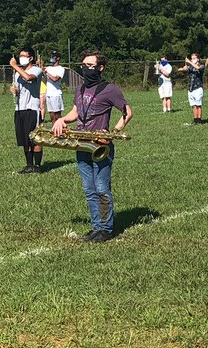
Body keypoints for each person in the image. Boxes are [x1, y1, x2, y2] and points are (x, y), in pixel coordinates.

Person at [53, 50, 133, 243]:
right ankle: (97, 227)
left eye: (91, 66)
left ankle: (105, 229)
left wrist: (112, 133)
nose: (86, 69)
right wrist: (62, 120)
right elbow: (75, 113)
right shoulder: (80, 89)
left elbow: (127, 113)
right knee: (89, 190)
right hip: (82, 145)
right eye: (84, 65)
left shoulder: (110, 89)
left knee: (101, 188)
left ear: (101, 68)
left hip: (100, 145)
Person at [10, 48, 43, 173]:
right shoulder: (18, 74)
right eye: (20, 55)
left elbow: (29, 78)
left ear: (31, 58)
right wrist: (14, 90)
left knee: (35, 138)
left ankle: (37, 166)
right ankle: (29, 165)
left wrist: (15, 66)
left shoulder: (36, 70)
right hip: (20, 109)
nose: (21, 58)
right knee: (24, 139)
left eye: (24, 55)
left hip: (32, 109)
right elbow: (19, 90)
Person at [177, 53, 205, 123]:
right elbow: (179, 69)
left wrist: (189, 62)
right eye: (192, 58)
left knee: (198, 105)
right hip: (190, 88)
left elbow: (198, 68)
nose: (193, 60)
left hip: (198, 88)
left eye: (194, 58)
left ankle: (199, 119)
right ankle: (195, 119)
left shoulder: (201, 66)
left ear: (198, 59)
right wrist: (185, 65)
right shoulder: (190, 67)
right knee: (193, 105)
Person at [43, 52, 66, 124]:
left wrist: (46, 73)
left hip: (56, 94)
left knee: (57, 114)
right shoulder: (48, 68)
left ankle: (60, 127)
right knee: (51, 114)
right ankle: (54, 127)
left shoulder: (61, 69)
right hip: (48, 93)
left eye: (53, 56)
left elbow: (55, 79)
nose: (51, 58)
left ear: (58, 58)